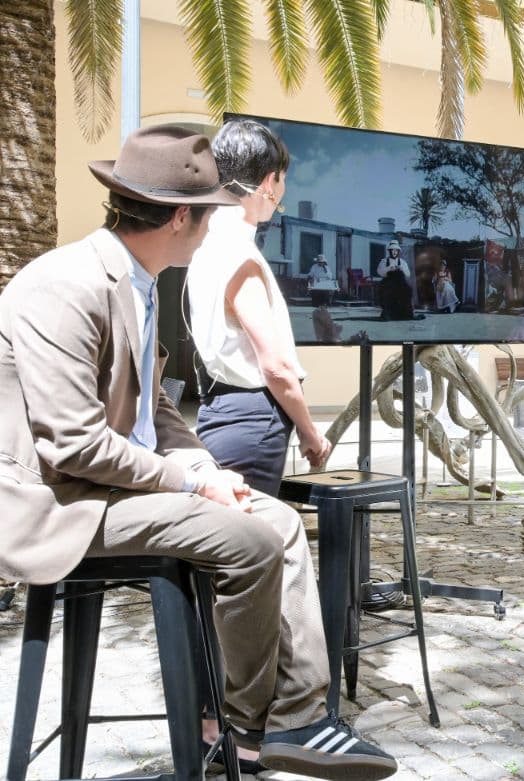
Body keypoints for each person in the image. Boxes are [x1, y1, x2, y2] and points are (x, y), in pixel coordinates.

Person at [0, 125, 397, 780]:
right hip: (60, 503)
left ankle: (296, 718)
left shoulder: (141, 280)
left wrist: (206, 465)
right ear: (182, 216)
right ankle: (241, 730)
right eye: (211, 209)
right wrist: (187, 479)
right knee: (247, 538)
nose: (220, 221)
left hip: (113, 489)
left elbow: (155, 410)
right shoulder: (63, 285)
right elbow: (73, 443)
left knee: (277, 522)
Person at [189, 118, 333, 498]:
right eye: (283, 180)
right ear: (270, 183)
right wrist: (310, 431)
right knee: (250, 546)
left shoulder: (206, 244)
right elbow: (276, 367)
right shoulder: (240, 255)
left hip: (219, 409)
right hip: (252, 421)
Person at [376, 239, 419, 320]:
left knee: (408, 290)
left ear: (398, 251)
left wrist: (401, 268)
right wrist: (389, 268)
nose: (394, 252)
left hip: (400, 284)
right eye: (392, 250)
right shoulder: (384, 261)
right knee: (387, 292)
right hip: (388, 283)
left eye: (396, 250)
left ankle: (405, 313)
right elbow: (379, 272)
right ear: (389, 251)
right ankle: (387, 313)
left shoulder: (402, 262)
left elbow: (408, 274)